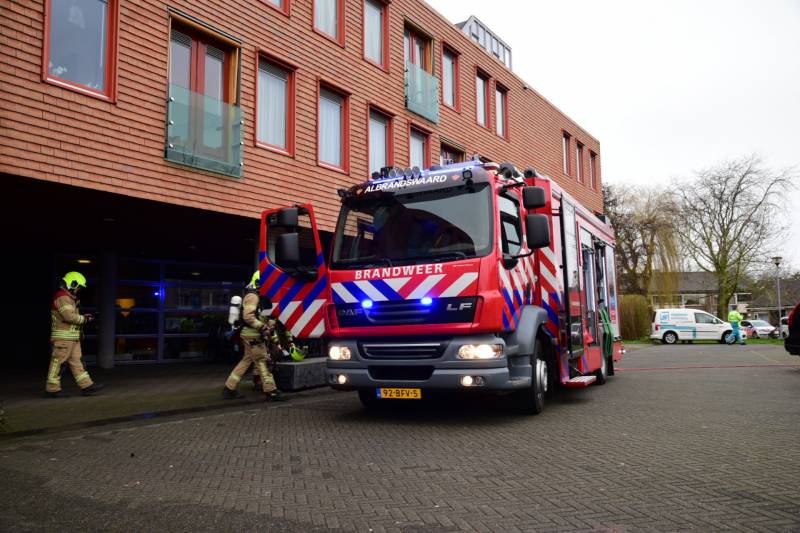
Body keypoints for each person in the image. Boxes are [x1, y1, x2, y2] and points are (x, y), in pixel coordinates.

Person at [223, 271, 285, 401]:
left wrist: (272, 336)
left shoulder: (261, 297)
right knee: (262, 361)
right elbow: (248, 316)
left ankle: (229, 389)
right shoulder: (253, 296)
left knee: (246, 360)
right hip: (253, 336)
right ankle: (271, 391)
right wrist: (262, 327)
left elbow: (266, 319)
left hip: (252, 335)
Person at [46, 272, 104, 398]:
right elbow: (68, 316)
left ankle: (86, 386)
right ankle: (52, 389)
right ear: (72, 283)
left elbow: (71, 315)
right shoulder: (62, 297)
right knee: (58, 364)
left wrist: (83, 318)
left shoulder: (68, 297)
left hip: (72, 338)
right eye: (78, 286)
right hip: (63, 338)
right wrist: (84, 319)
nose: (79, 289)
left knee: (77, 362)